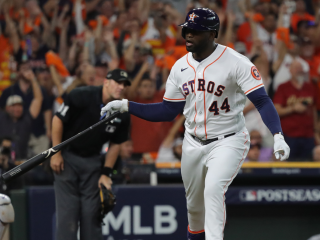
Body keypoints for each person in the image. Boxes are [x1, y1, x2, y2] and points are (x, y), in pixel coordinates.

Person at [101, 8, 290, 240]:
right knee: (194, 211)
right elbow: (167, 110)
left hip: (228, 140)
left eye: (196, 31)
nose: (189, 35)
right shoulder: (180, 67)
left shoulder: (236, 62)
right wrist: (126, 105)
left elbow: (261, 100)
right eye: (186, 30)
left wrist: (278, 135)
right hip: (192, 141)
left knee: (213, 190)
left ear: (213, 34)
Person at [50, 69, 131, 240]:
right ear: (106, 82)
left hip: (93, 162)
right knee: (68, 218)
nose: (121, 87)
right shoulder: (81, 95)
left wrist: (106, 173)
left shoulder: (122, 111)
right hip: (68, 159)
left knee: (92, 217)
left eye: (124, 84)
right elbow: (58, 119)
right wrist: (55, 152)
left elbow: (116, 143)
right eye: (118, 82)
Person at [273, 60, 318, 161]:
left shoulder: (310, 87)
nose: (299, 70)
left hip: (308, 136)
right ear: (290, 71)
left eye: (301, 68)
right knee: (289, 168)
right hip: (289, 136)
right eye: (296, 68)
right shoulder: (283, 87)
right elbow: (276, 110)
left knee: (308, 169)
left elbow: (314, 110)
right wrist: (293, 108)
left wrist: (315, 130)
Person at [0, 69, 43, 160]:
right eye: (14, 106)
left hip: (22, 162)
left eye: (20, 105)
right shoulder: (2, 117)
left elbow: (38, 99)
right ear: (7, 108)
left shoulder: (26, 117)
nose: (17, 108)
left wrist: (33, 79)